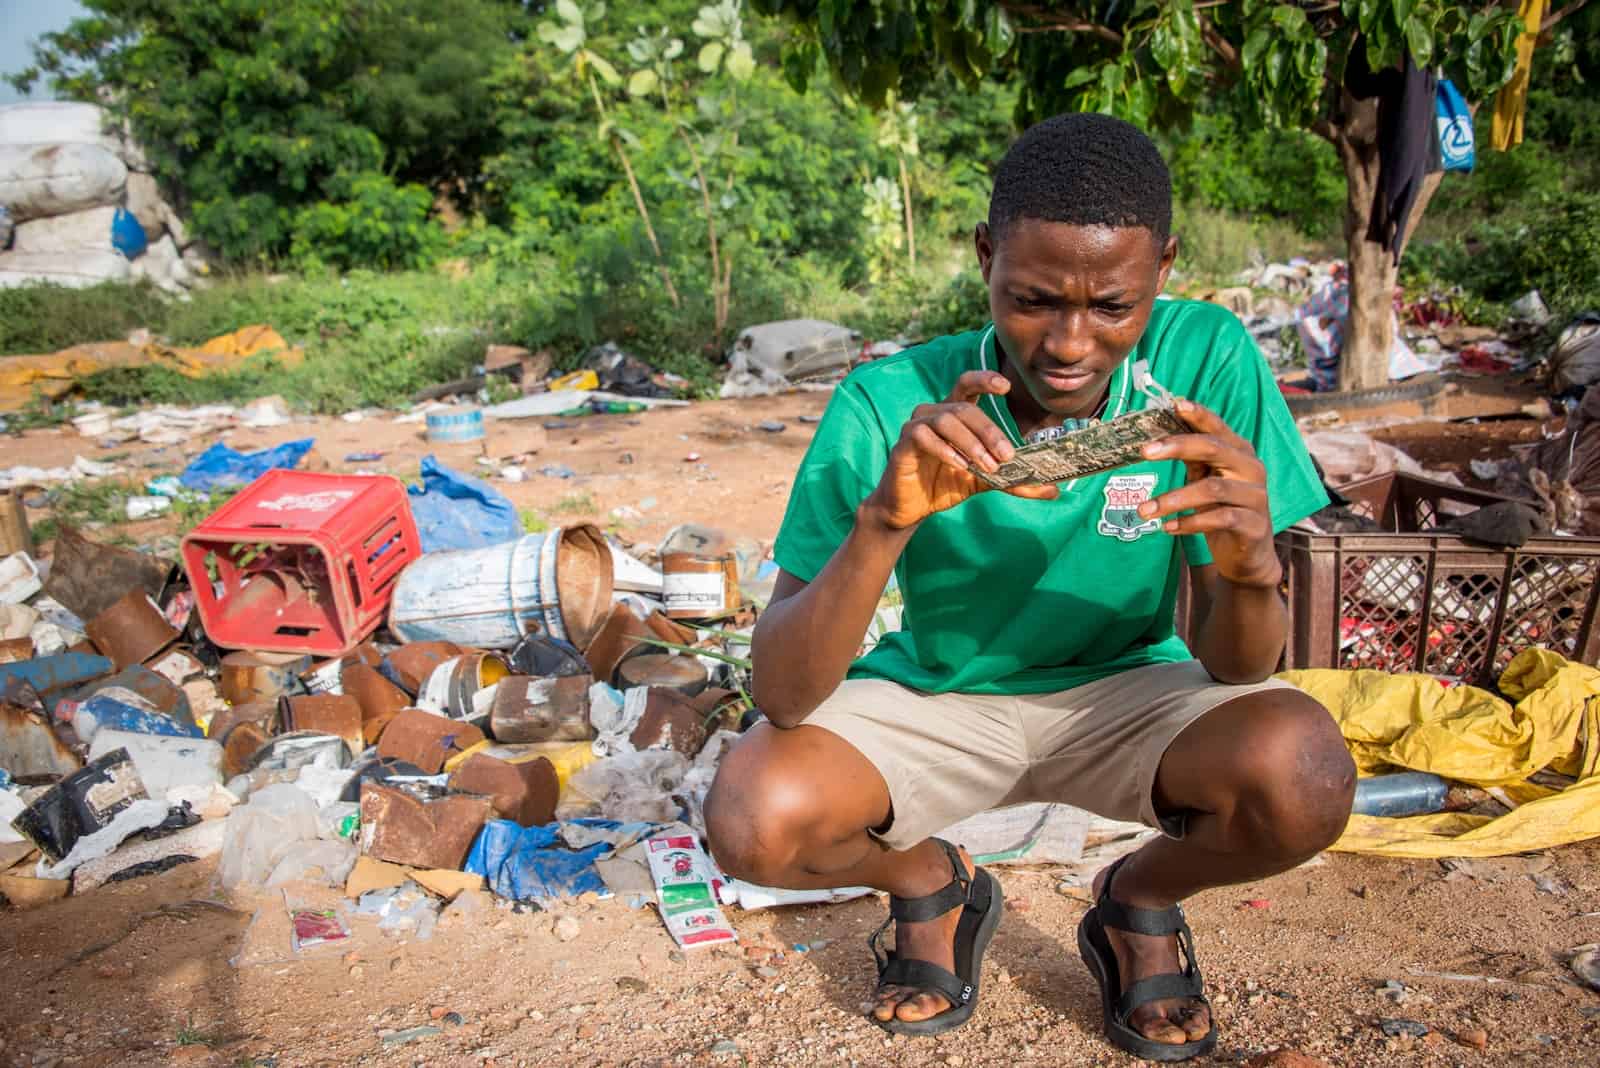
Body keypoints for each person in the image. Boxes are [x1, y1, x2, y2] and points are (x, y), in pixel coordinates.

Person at [702, 112, 1356, 1061]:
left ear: (1164, 269)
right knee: (751, 817)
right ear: (984, 258)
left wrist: (1252, 566)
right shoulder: (888, 402)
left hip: (1131, 686)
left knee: (1304, 775)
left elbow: (1236, 665)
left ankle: (1140, 899)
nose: (1068, 345)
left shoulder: (1206, 361)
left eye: (1112, 308)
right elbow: (786, 694)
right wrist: (886, 521)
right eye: (1033, 300)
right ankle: (935, 883)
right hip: (941, 691)